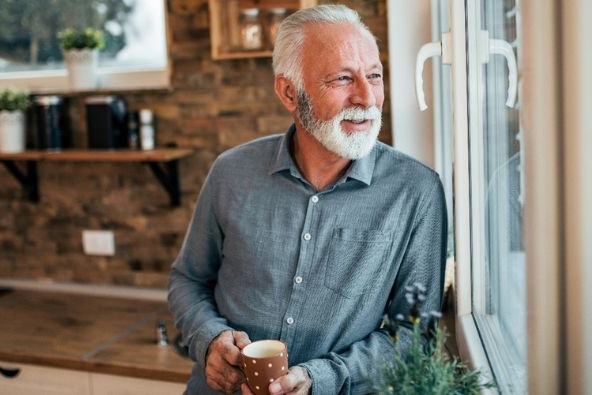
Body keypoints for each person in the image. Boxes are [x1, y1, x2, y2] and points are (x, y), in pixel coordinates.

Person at [168, 4, 447, 395]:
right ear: (289, 92)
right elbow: (188, 280)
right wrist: (209, 340)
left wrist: (322, 378)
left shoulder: (417, 191)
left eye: (374, 75)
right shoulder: (230, 172)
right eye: (343, 78)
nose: (367, 97)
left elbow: (415, 336)